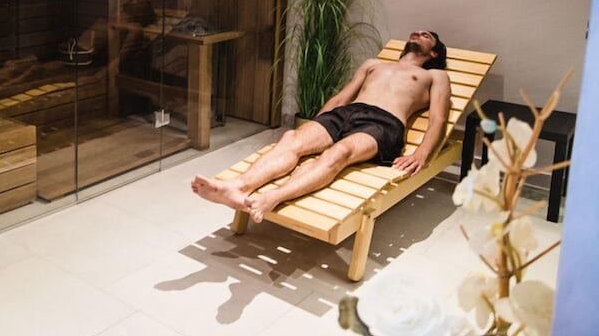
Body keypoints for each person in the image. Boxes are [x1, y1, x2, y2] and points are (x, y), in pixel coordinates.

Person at [192, 30, 451, 223]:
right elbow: (341, 98)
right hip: (345, 113)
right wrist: (317, 124)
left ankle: (273, 197)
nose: (418, 33)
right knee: (292, 138)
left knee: (339, 153)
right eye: (416, 32)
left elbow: (438, 118)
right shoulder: (374, 64)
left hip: (383, 123)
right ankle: (238, 187)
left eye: (426, 35)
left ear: (434, 53)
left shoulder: (435, 75)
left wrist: (422, 153)